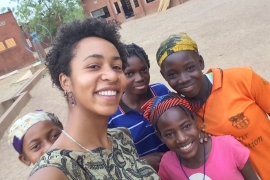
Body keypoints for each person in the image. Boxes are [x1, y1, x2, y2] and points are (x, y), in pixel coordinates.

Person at [29, 18, 159, 180]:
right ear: (66, 82)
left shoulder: (121, 138)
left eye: (117, 67)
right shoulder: (54, 172)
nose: (112, 75)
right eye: (94, 66)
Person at [156, 32, 270, 179]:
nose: (183, 79)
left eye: (190, 68)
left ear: (201, 62)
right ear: (164, 76)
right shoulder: (179, 113)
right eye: (172, 74)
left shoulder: (242, 79)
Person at [142, 93, 259, 180]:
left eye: (186, 126)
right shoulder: (168, 165)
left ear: (195, 121)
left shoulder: (228, 147)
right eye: (169, 134)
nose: (182, 138)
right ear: (160, 136)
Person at [108, 43, 170, 171]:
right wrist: (140, 162)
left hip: (177, 167)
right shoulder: (112, 115)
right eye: (129, 74)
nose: (140, 78)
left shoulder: (161, 92)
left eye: (144, 70)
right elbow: (111, 159)